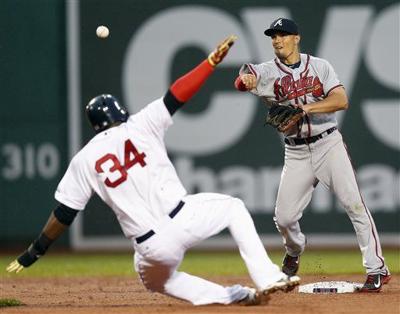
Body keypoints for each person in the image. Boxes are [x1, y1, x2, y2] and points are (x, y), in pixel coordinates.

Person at [6, 35, 300, 306]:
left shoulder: (84, 159)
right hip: (183, 217)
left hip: (151, 246)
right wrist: (209, 63)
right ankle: (268, 277)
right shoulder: (140, 124)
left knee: (155, 279)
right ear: (120, 112)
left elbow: (64, 214)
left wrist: (36, 250)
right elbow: (176, 95)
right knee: (233, 208)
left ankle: (234, 296)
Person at [234, 18, 391, 292]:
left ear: (297, 38)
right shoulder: (267, 71)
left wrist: (306, 109)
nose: (277, 40)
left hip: (328, 144)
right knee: (283, 218)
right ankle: (294, 252)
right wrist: (245, 80)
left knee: (355, 205)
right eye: (273, 36)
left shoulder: (320, 66)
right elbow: (246, 77)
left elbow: (341, 100)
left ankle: (376, 268)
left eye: (283, 35)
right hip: (295, 152)